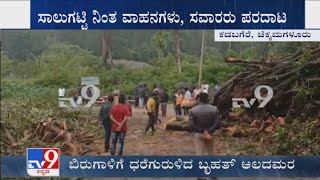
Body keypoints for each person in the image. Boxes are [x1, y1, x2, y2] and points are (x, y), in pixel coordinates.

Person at [189, 93, 220, 180]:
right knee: (210, 153)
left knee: (200, 154)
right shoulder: (214, 109)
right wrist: (209, 131)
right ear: (208, 99)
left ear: (199, 99)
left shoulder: (193, 110)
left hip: (199, 134)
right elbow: (217, 123)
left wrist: (203, 131)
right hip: (210, 134)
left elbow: (192, 125)